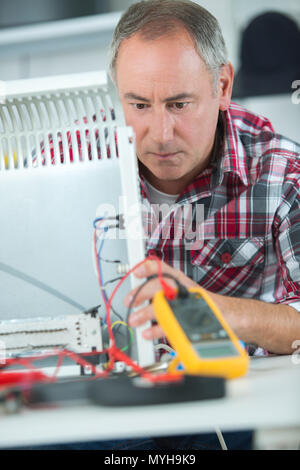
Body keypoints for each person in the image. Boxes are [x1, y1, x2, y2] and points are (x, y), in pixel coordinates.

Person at [14, 0, 300, 451]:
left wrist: (213, 311)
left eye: (179, 103)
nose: (161, 133)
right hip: (94, 404)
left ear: (222, 85)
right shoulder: (64, 159)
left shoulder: (281, 171)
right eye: (139, 104)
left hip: (218, 407)